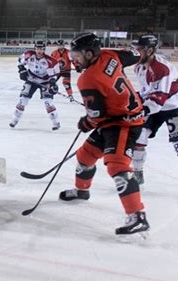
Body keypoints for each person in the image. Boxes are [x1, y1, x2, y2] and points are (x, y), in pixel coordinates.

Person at [59, 33, 150, 236]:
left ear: (90, 53)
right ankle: (82, 191)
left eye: (77, 56)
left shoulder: (88, 79)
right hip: (115, 119)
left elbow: (96, 116)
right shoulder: (110, 55)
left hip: (124, 123)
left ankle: (138, 216)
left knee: (117, 164)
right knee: (85, 156)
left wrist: (85, 123)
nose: (73, 60)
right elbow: (135, 54)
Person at [132, 34, 178, 198]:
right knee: (138, 137)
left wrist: (138, 111)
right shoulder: (139, 67)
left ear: (149, 50)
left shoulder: (161, 68)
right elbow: (146, 92)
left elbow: (157, 100)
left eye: (139, 49)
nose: (136, 52)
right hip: (154, 103)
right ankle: (137, 173)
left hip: (173, 106)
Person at [9, 40, 61, 130]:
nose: (39, 51)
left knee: (48, 102)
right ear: (35, 49)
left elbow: (55, 74)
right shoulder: (28, 54)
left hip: (45, 82)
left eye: (41, 49)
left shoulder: (50, 61)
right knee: (23, 100)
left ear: (44, 49)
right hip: (31, 79)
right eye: (37, 49)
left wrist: (52, 83)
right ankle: (14, 120)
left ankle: (56, 122)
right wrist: (22, 70)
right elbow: (20, 62)